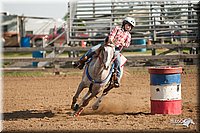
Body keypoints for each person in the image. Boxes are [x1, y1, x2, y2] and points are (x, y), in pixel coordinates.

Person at [74, 17, 135, 87]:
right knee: (93, 49)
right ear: (124, 24)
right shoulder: (117, 29)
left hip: (116, 49)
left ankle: (117, 79)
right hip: (108, 44)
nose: (129, 27)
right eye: (128, 25)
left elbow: (127, 44)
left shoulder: (128, 35)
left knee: (118, 62)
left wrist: (121, 43)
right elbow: (111, 35)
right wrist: (111, 40)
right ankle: (81, 61)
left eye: (130, 26)